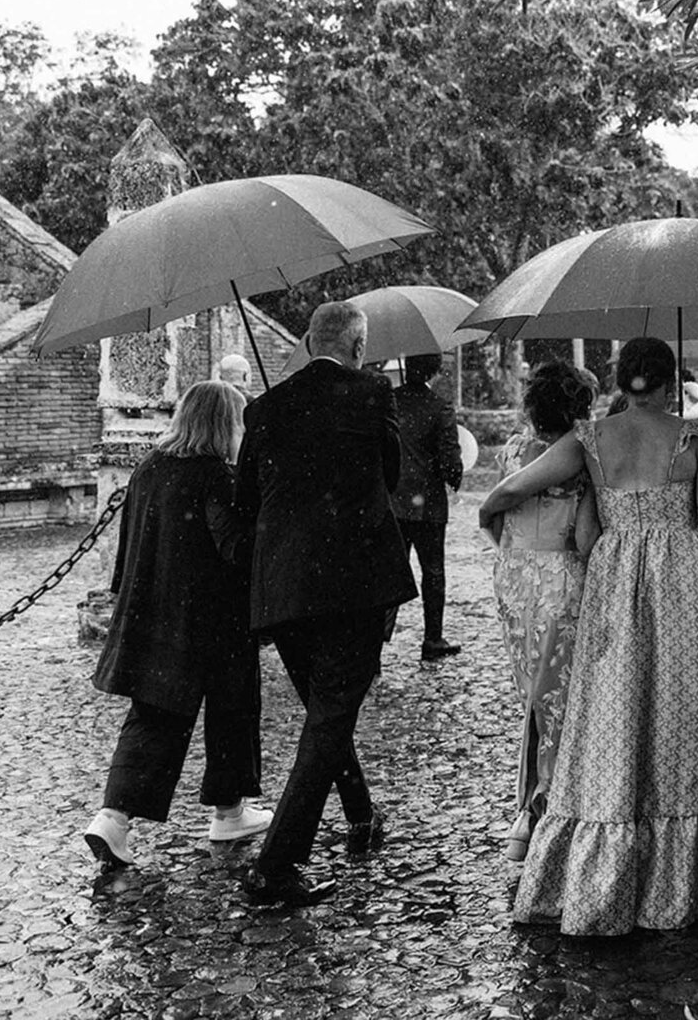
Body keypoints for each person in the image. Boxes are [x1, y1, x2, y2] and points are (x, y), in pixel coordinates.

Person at [477, 336, 698, 935]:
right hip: (684, 586)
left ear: (620, 380)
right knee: (687, 717)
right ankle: (690, 872)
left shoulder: (590, 440)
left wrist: (493, 519)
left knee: (614, 713)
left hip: (615, 583)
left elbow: (551, 507)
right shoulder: (690, 437)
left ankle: (602, 870)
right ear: (669, 382)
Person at [233, 301, 419, 907]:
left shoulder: (263, 408)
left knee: (325, 709)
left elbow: (247, 497)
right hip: (355, 581)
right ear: (359, 348)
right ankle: (275, 866)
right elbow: (390, 475)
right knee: (330, 715)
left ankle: (360, 813)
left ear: (310, 341)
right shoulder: (373, 393)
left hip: (285, 585)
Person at [84, 381, 271, 869]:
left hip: (152, 611)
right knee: (233, 710)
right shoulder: (214, 476)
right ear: (224, 423)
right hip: (212, 620)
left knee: (153, 717)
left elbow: (129, 544)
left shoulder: (149, 468)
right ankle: (229, 810)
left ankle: (113, 818)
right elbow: (235, 550)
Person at [489, 361, 600, 862]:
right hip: (559, 577)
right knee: (562, 698)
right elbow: (580, 536)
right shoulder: (580, 448)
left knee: (536, 693)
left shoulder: (514, 447)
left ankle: (531, 809)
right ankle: (544, 809)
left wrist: (509, 547)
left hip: (514, 575)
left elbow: (504, 521)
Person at [391, 353, 466, 661]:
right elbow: (450, 459)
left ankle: (376, 639)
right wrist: (455, 476)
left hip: (393, 501)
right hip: (428, 505)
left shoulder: (388, 402)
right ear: (434, 371)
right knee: (432, 572)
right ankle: (432, 639)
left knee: (389, 570)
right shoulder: (439, 407)